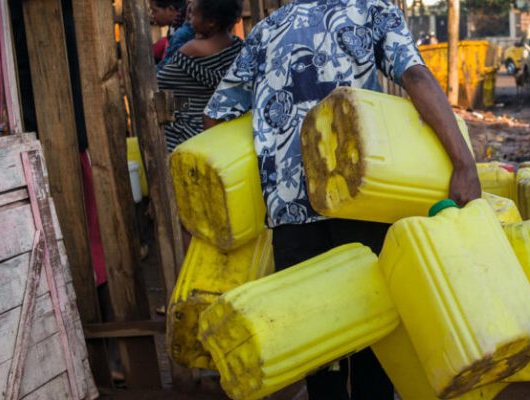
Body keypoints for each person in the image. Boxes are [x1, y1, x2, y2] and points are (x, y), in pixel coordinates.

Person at [202, 0, 480, 398]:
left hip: (290, 211)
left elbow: (217, 115)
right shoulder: (371, 10)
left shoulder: (267, 29)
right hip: (362, 198)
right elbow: (415, 76)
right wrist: (464, 162)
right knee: (375, 335)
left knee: (319, 346)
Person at [157, 0, 243, 151]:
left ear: (211, 21)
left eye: (193, 13)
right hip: (225, 134)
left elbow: (159, 82)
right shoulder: (239, 47)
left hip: (189, 139)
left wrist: (182, 105)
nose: (188, 16)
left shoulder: (190, 50)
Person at [149, 0, 192, 67]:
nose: (152, 15)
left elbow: (169, 63)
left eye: (155, 11)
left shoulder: (182, 33)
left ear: (170, 9)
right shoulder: (173, 28)